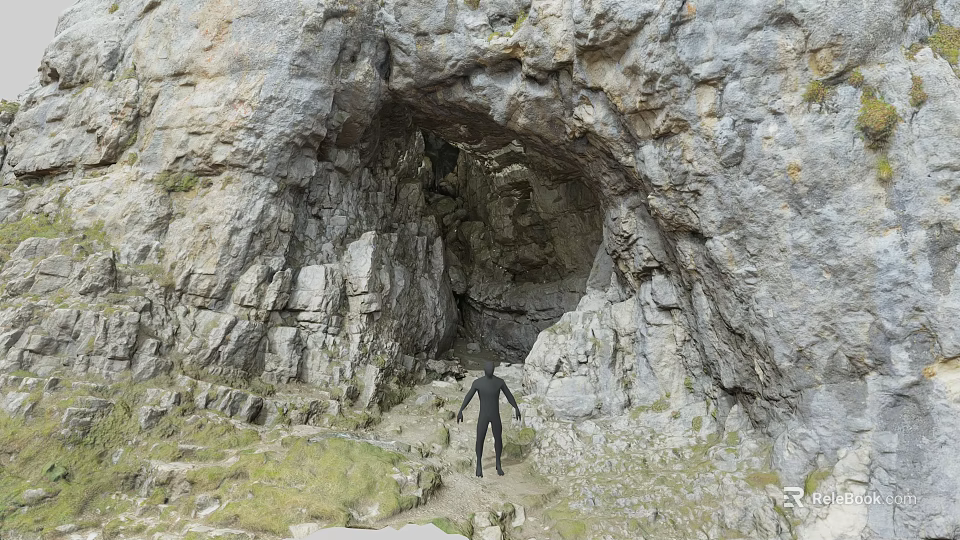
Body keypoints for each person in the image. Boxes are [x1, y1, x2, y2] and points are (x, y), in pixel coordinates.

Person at [456, 360, 521, 477]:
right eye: (488, 368)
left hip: (495, 415)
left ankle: (498, 463)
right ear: (485, 370)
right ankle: (479, 465)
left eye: (491, 368)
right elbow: (469, 396)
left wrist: (516, 407)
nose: (490, 370)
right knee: (480, 439)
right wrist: (461, 410)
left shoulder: (499, 382)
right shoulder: (478, 383)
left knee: (498, 439)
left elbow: (509, 395)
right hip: (484, 415)